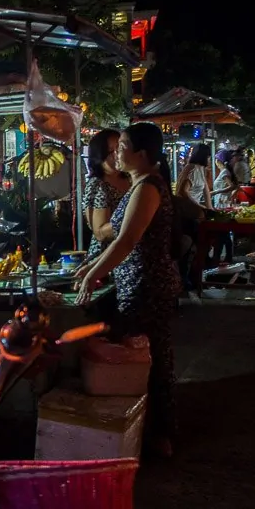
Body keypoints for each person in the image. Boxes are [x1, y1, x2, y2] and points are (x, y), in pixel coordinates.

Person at [75, 122, 180, 459]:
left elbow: (126, 239)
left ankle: (159, 435)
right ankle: (149, 432)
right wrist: (91, 267)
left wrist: (94, 275)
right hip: (137, 282)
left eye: (122, 146)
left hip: (147, 284)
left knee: (151, 360)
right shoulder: (139, 185)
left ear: (142, 154)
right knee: (145, 356)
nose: (116, 152)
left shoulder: (148, 187)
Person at [82, 129, 130, 263]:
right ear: (100, 155)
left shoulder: (130, 178)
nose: (117, 155)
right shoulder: (98, 185)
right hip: (106, 257)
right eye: (111, 151)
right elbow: (99, 231)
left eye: (120, 148)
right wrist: (131, 223)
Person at [211, 149, 240, 264]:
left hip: (221, 206)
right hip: (223, 204)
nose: (215, 162)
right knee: (224, 234)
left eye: (216, 160)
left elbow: (232, 186)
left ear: (220, 161)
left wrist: (216, 192)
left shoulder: (224, 173)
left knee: (221, 233)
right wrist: (229, 196)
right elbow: (236, 187)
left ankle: (218, 258)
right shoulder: (226, 172)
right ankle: (226, 257)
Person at [176, 142, 213, 210]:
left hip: (193, 210)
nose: (209, 160)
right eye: (209, 158)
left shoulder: (200, 169)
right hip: (187, 212)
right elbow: (183, 191)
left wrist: (210, 209)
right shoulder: (194, 169)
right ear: (205, 157)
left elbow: (206, 191)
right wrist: (200, 206)